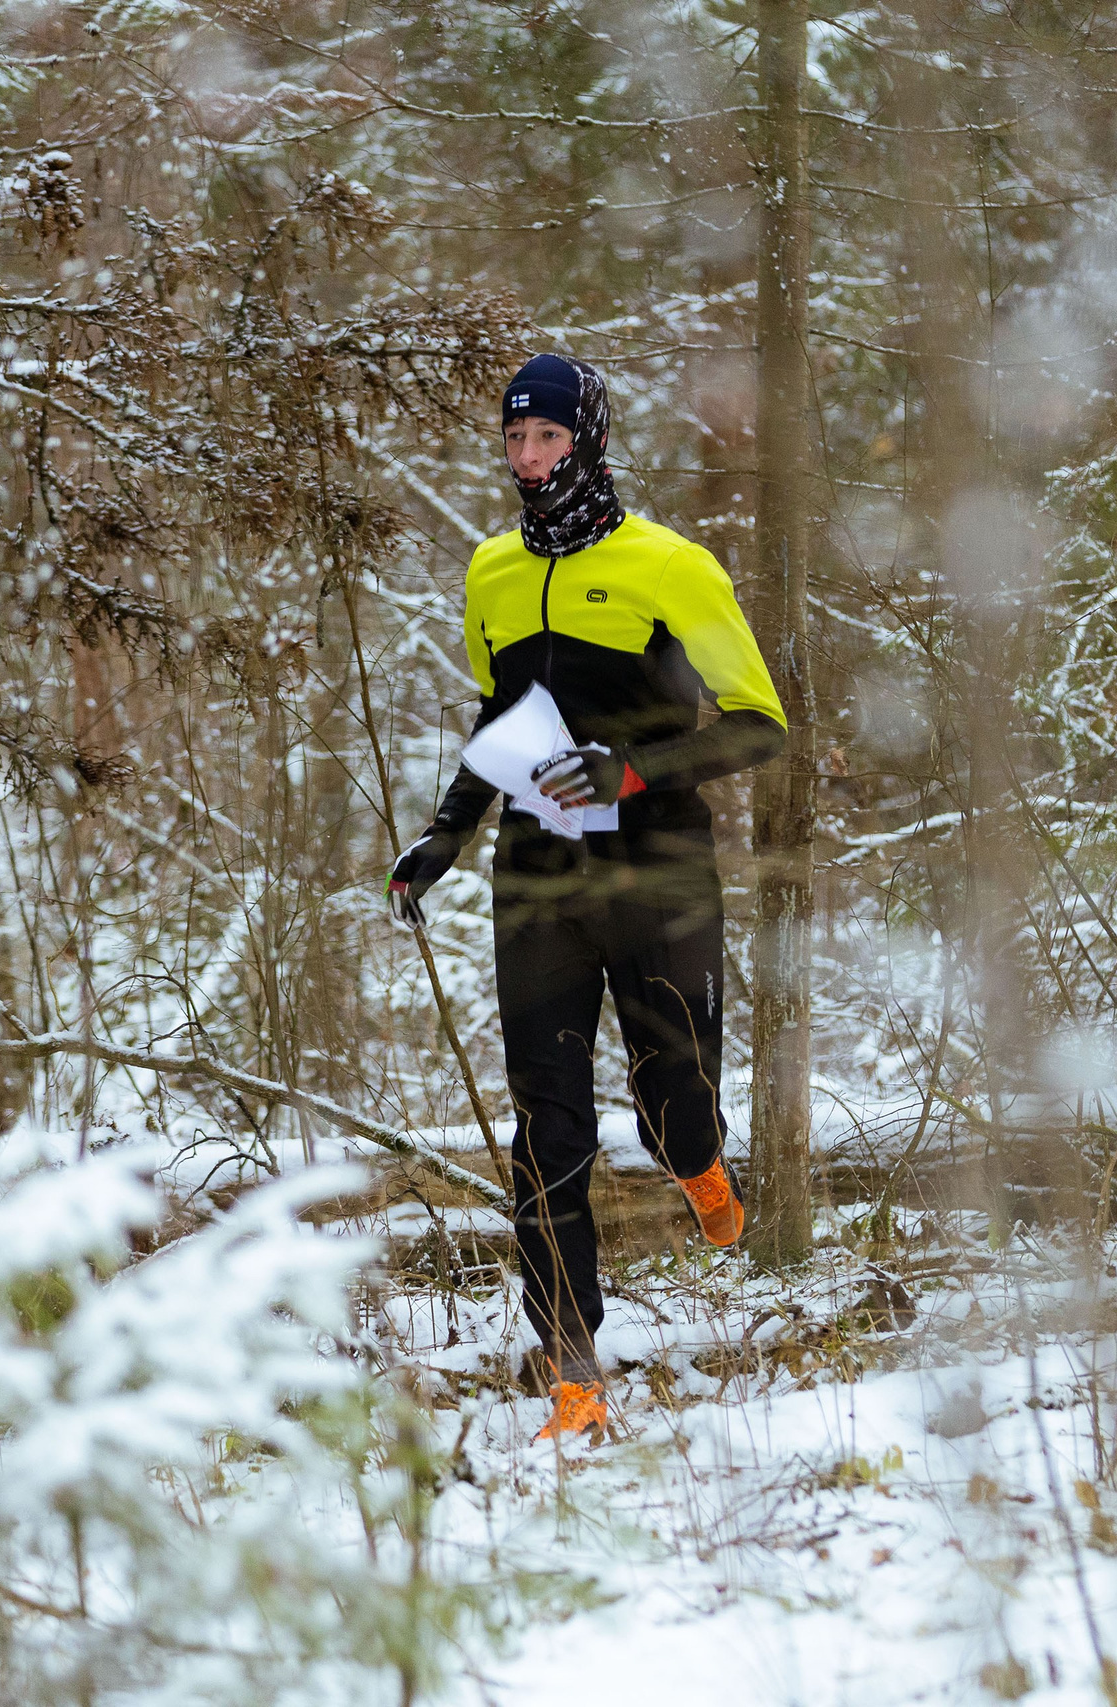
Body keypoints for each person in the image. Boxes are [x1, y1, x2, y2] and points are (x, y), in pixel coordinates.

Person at [388, 353, 787, 1443]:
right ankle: (573, 1374)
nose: (527, 461)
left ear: (589, 440)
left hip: (657, 872)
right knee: (546, 1131)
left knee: (669, 1109)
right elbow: (500, 727)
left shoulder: (672, 568)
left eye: (548, 441)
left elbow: (759, 724)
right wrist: (440, 839)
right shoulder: (491, 574)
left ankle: (698, 1162)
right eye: (514, 441)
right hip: (539, 883)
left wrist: (633, 770)